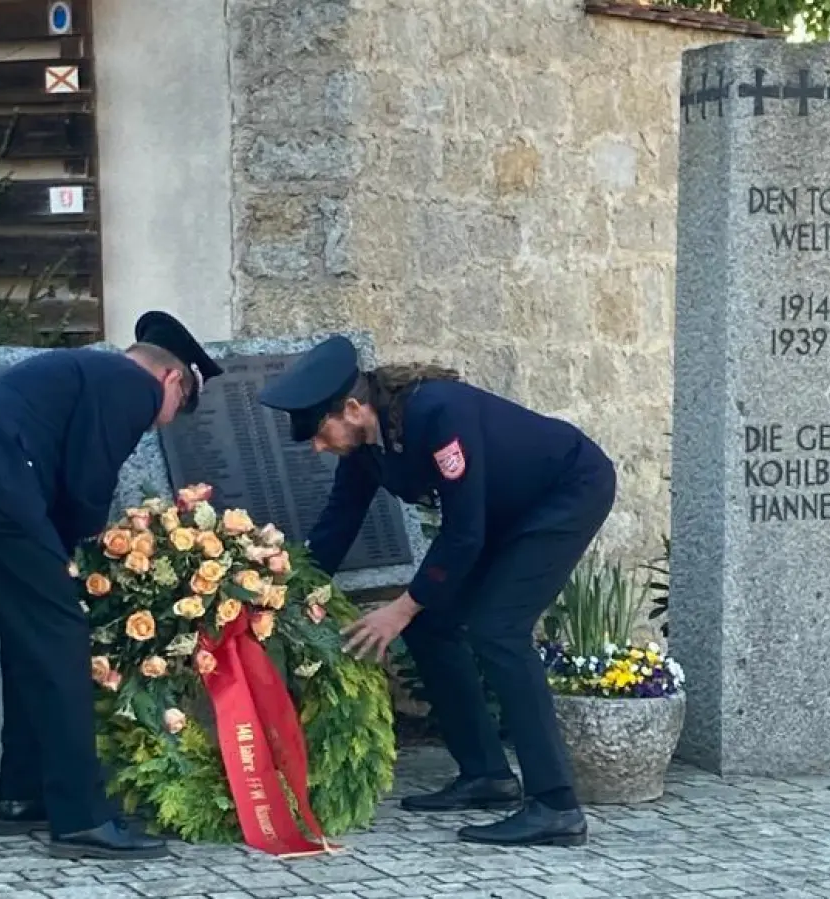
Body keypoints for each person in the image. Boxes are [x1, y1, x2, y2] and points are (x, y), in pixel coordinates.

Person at [257, 336, 615, 847]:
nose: (318, 445)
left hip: (566, 492)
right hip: (504, 509)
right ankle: (487, 775)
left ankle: (556, 805)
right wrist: (288, 592)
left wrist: (399, 608)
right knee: (432, 629)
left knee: (499, 630)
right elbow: (338, 523)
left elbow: (465, 532)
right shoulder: (367, 448)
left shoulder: (436, 412)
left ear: (353, 409)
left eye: (319, 431)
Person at [0, 311, 221, 860]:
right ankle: (82, 818)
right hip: (1, 484)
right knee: (62, 637)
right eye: (177, 408)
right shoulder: (132, 386)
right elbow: (88, 480)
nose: (161, 423)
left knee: (31, 640)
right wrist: (77, 551)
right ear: (172, 380)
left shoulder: (87, 372)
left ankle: (22, 794)